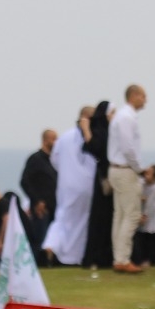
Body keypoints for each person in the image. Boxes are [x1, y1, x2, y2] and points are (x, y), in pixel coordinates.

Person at [43, 107, 97, 266]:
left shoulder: (64, 138)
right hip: (86, 183)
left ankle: (53, 245)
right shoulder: (91, 137)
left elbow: (54, 160)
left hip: (66, 185)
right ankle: (74, 255)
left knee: (63, 218)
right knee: (81, 222)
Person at [107, 84, 148, 273]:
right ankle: (122, 259)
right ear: (134, 96)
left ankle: (119, 257)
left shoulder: (123, 116)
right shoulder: (126, 117)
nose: (145, 100)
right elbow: (128, 147)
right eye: (143, 96)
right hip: (125, 169)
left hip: (118, 169)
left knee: (120, 215)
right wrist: (139, 169)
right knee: (131, 215)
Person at [80, 99, 114, 270]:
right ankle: (96, 257)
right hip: (103, 178)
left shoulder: (109, 130)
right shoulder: (101, 131)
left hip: (107, 176)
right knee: (100, 218)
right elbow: (96, 147)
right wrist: (86, 129)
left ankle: (107, 256)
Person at [19, 130, 58, 254]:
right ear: (46, 140)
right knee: (40, 238)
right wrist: (36, 201)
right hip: (41, 209)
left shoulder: (53, 160)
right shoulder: (35, 159)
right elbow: (24, 181)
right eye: (54, 139)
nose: (57, 142)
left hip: (54, 207)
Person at [135, 165, 155, 267]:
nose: (146, 175)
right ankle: (143, 258)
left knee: (151, 237)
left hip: (152, 214)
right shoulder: (142, 182)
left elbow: (151, 204)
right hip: (143, 211)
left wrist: (145, 215)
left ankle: (151, 258)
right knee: (143, 237)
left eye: (149, 173)